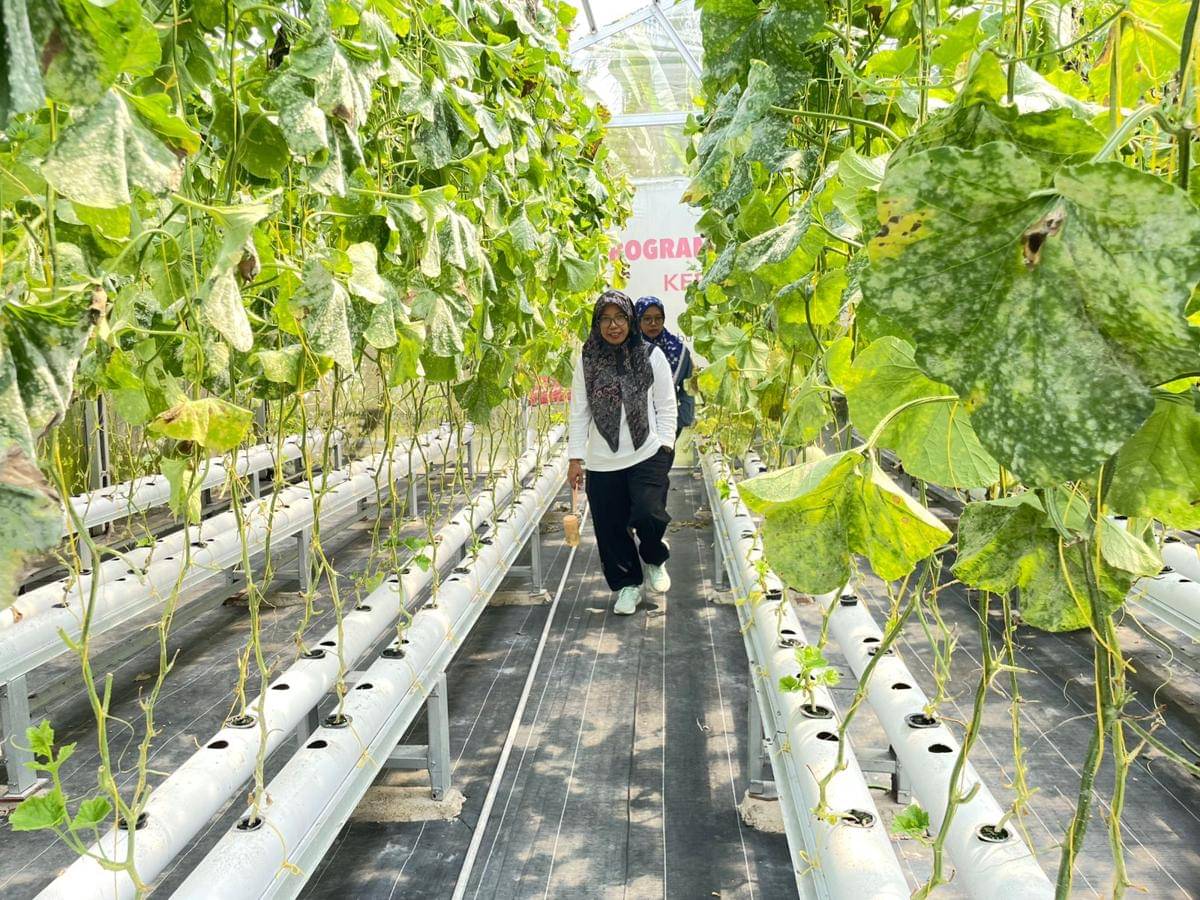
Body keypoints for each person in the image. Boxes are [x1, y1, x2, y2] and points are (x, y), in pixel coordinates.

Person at [568, 289, 678, 615]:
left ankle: (655, 557)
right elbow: (579, 412)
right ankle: (628, 585)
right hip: (603, 462)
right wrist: (576, 458)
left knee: (648, 512)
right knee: (610, 528)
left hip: (646, 452)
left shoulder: (650, 355)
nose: (613, 325)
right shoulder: (587, 360)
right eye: (605, 319)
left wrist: (666, 446)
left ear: (630, 321)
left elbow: (666, 405)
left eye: (619, 318)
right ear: (597, 322)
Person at [635, 296, 694, 435]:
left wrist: (679, 419)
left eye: (658, 318)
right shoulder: (626, 349)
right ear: (637, 320)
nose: (653, 323)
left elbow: (688, 389)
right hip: (632, 428)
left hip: (667, 425)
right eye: (647, 319)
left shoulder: (679, 351)